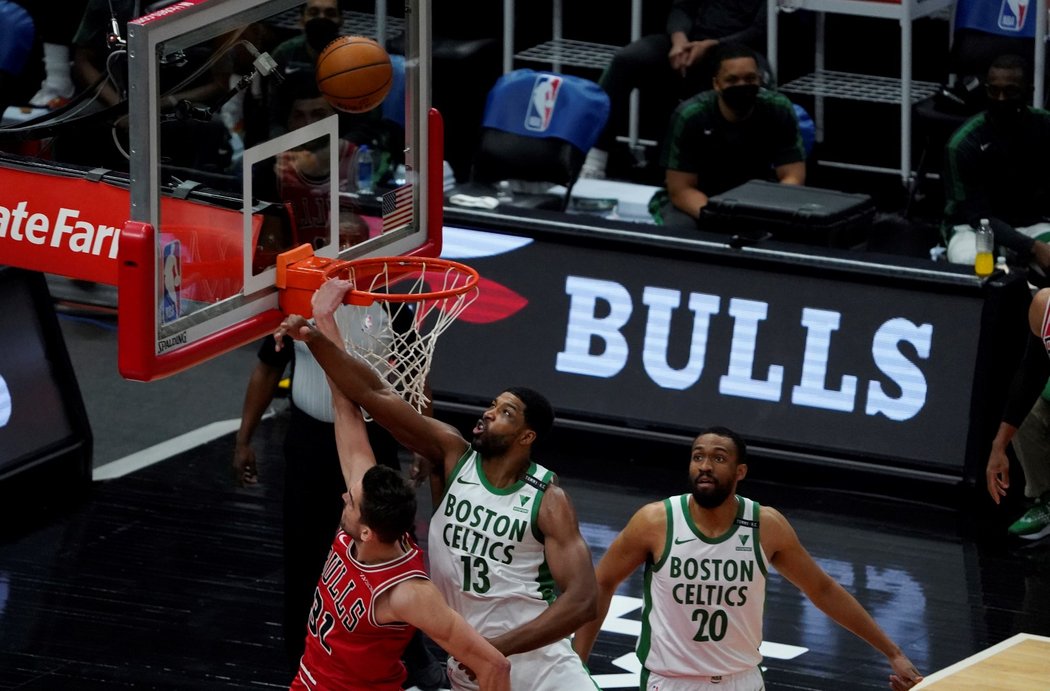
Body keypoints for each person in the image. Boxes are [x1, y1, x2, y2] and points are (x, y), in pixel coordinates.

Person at [274, 292, 600, 691]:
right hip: (470, 660)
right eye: (493, 405)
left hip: (536, 662)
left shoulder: (547, 499)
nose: (489, 413)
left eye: (505, 413)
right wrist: (319, 334)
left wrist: (494, 648)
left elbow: (584, 600)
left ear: (526, 436)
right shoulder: (452, 454)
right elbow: (372, 396)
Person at [573, 426, 925, 691]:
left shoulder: (765, 525)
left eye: (718, 458)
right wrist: (577, 663)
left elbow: (823, 589)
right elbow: (602, 582)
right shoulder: (655, 521)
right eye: (698, 457)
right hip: (669, 681)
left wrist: (892, 652)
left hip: (741, 680)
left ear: (740, 472)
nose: (705, 466)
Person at [286, 278, 511, 691]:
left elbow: (495, 666)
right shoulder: (368, 506)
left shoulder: (408, 593)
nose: (344, 495)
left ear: (367, 530)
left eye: (350, 503)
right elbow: (346, 407)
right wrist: (323, 322)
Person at [234, 294, 446, 688]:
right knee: (303, 552)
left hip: (369, 436)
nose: (345, 252)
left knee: (392, 540)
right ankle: (302, 653)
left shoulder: (392, 306)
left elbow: (404, 381)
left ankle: (413, 649)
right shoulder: (295, 304)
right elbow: (274, 371)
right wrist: (244, 437)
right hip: (311, 441)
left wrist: (423, 439)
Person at [581, 0, 767, 181]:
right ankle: (595, 159)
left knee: (749, 78)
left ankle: (743, 173)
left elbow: (760, 29)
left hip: (740, 49)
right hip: (688, 43)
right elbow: (681, 8)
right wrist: (679, 40)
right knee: (627, 59)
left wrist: (712, 45)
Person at [652, 43, 805, 228]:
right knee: (680, 229)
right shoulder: (691, 115)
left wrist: (767, 212)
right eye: (732, 80)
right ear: (716, 84)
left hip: (758, 200)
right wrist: (721, 218)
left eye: (750, 78)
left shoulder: (778, 108)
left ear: (759, 79)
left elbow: (792, 177)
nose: (742, 86)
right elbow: (681, 190)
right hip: (700, 198)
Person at [942, 54, 1050, 273]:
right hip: (974, 228)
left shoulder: (1045, 126)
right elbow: (976, 216)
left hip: (1031, 224)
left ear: (1028, 92)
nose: (1001, 99)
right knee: (970, 262)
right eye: (994, 90)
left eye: (1010, 92)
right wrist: (1031, 248)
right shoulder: (963, 144)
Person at [986, 287, 1050, 540]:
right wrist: (998, 445)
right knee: (1026, 415)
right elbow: (1030, 376)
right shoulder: (1043, 305)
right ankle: (1046, 500)